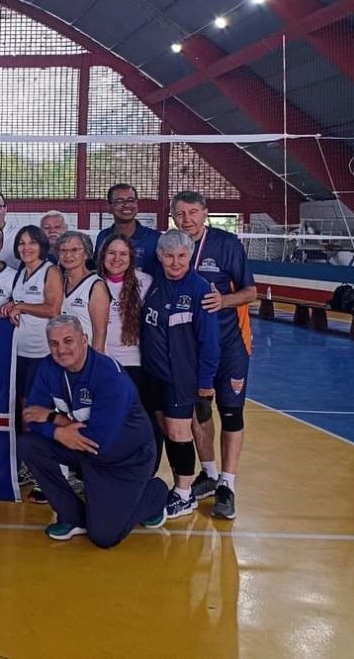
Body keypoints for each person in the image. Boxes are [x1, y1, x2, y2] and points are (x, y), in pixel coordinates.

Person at [19, 315, 169, 546]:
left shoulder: (109, 376)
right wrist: (57, 426)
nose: (61, 350)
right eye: (54, 344)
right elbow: (31, 415)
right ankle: (73, 517)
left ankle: (154, 494)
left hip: (126, 459)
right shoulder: (48, 367)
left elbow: (99, 440)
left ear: (84, 340)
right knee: (27, 444)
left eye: (68, 341)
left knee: (104, 537)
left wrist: (54, 422)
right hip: (86, 451)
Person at [171, 191, 256, 519]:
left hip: (230, 344)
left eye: (193, 212)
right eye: (180, 213)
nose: (187, 219)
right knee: (199, 410)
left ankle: (227, 484)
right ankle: (208, 473)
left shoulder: (226, 244)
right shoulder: (171, 246)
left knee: (231, 412)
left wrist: (224, 301)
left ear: (205, 213)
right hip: (191, 348)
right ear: (173, 216)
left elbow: (250, 292)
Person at [141, 229, 221, 520]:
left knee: (179, 432)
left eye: (181, 256)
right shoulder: (156, 283)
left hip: (180, 378)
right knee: (168, 430)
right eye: (169, 256)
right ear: (160, 257)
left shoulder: (200, 290)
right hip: (154, 375)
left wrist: (205, 383)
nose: (175, 262)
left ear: (190, 256)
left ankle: (185, 495)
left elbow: (209, 343)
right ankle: (179, 487)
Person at [3, 225, 63, 501]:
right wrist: (9, 306)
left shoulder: (50, 270)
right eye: (21, 243)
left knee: (38, 413)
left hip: (42, 353)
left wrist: (21, 307)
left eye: (31, 243)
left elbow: (53, 308)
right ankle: (30, 466)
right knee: (23, 412)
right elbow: (18, 302)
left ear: (41, 245)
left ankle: (48, 474)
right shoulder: (21, 272)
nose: (26, 248)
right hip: (20, 351)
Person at [97, 233, 160, 470]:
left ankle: (146, 469)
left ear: (131, 257)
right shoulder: (93, 282)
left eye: (123, 254)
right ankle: (110, 469)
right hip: (104, 364)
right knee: (108, 421)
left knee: (141, 422)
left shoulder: (145, 282)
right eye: (112, 253)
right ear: (103, 256)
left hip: (137, 365)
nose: (117, 258)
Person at [56, 231, 109, 353]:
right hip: (64, 354)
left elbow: (100, 334)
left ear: (86, 254)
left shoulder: (96, 286)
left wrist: (95, 362)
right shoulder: (61, 283)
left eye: (74, 250)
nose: (68, 255)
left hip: (86, 356)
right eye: (63, 250)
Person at [94, 183, 161, 275]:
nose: (126, 205)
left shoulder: (155, 239)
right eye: (119, 202)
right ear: (109, 207)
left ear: (137, 205)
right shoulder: (103, 237)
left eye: (131, 201)